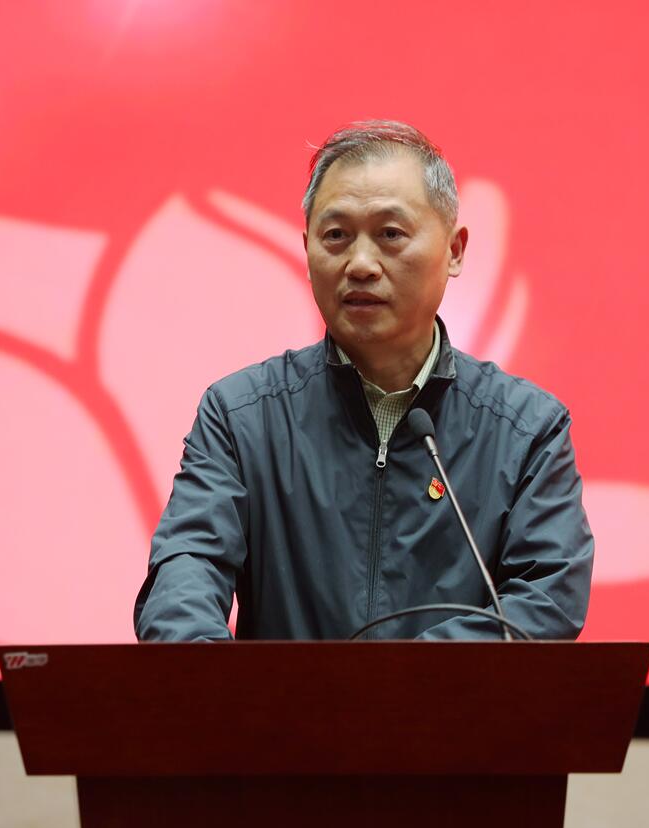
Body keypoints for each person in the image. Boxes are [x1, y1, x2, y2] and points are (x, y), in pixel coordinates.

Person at [134, 120, 593, 641]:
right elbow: (184, 577)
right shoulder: (242, 418)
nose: (360, 264)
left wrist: (388, 683)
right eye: (336, 236)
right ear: (307, 250)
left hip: (446, 700)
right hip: (285, 702)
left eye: (390, 234)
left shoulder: (527, 430)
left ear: (455, 250)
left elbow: (544, 604)